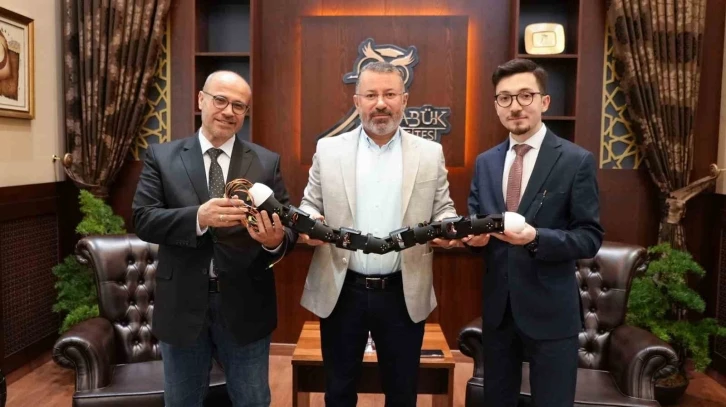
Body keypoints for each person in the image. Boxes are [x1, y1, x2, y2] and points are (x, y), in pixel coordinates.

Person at [132, 70, 297, 407]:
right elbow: (143, 219)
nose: (228, 111)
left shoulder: (266, 162)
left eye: (239, 105)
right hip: (182, 304)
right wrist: (197, 217)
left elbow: (288, 226)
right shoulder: (162, 157)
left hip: (247, 304)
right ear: (201, 100)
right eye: (220, 100)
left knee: (252, 400)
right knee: (182, 401)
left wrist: (273, 240)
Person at [298, 61, 458, 407]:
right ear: (357, 102)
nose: (381, 103)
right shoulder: (328, 149)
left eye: (389, 94)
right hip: (342, 289)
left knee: (402, 394)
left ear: (404, 100)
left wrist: (448, 227)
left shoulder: (429, 153)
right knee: (339, 392)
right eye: (371, 95)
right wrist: (311, 222)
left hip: (403, 291)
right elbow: (309, 204)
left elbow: (443, 209)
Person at [465, 58, 604, 406]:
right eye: (505, 98)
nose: (515, 106)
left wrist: (536, 238)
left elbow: (589, 237)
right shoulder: (486, 162)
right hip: (499, 311)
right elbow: (477, 219)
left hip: (551, 311)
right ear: (496, 105)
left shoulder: (575, 160)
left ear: (544, 102)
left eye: (525, 95)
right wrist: (473, 239)